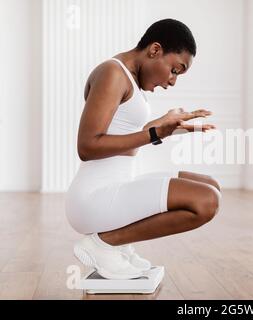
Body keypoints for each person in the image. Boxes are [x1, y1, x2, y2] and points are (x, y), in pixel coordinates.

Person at [65, 19, 221, 280]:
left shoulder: (129, 79)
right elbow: (87, 146)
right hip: (94, 197)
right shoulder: (113, 73)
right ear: (155, 50)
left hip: (116, 185)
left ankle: (119, 246)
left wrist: (168, 127)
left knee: (210, 184)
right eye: (174, 70)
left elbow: (124, 138)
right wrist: (152, 134)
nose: (172, 81)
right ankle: (105, 244)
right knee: (206, 201)